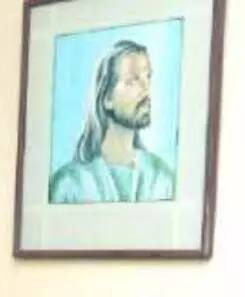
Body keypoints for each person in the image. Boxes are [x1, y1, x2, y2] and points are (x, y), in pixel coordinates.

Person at [48, 39, 177, 204]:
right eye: (132, 81)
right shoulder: (69, 184)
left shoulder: (162, 178)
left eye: (148, 78)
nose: (146, 92)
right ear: (107, 98)